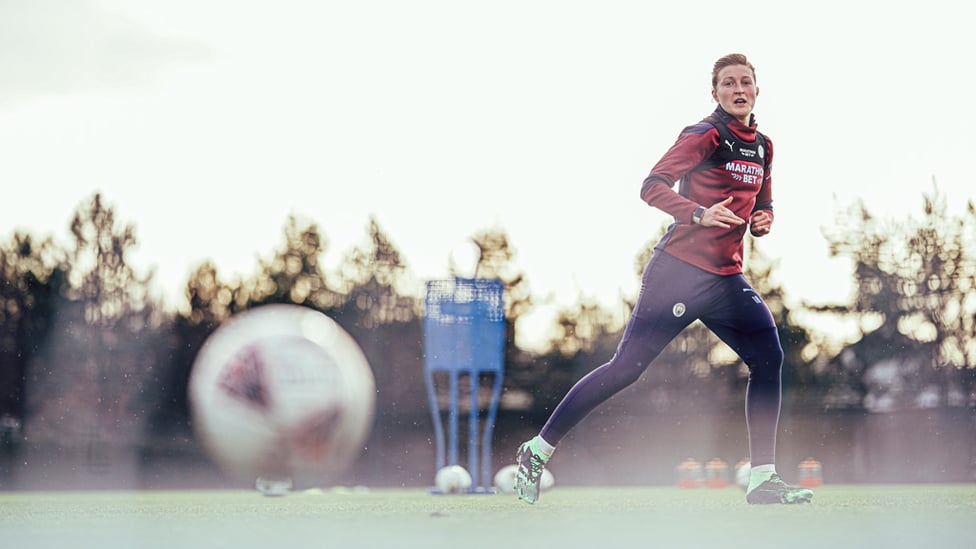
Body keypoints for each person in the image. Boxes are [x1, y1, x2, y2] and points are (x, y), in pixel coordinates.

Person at [514, 53, 813, 505]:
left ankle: (763, 480)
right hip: (678, 273)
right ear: (714, 93)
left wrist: (764, 218)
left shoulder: (764, 146)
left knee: (769, 357)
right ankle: (536, 450)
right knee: (627, 369)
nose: (737, 89)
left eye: (745, 82)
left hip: (726, 280)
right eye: (728, 83)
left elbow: (763, 200)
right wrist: (697, 213)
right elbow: (652, 185)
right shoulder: (704, 134)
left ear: (756, 89)